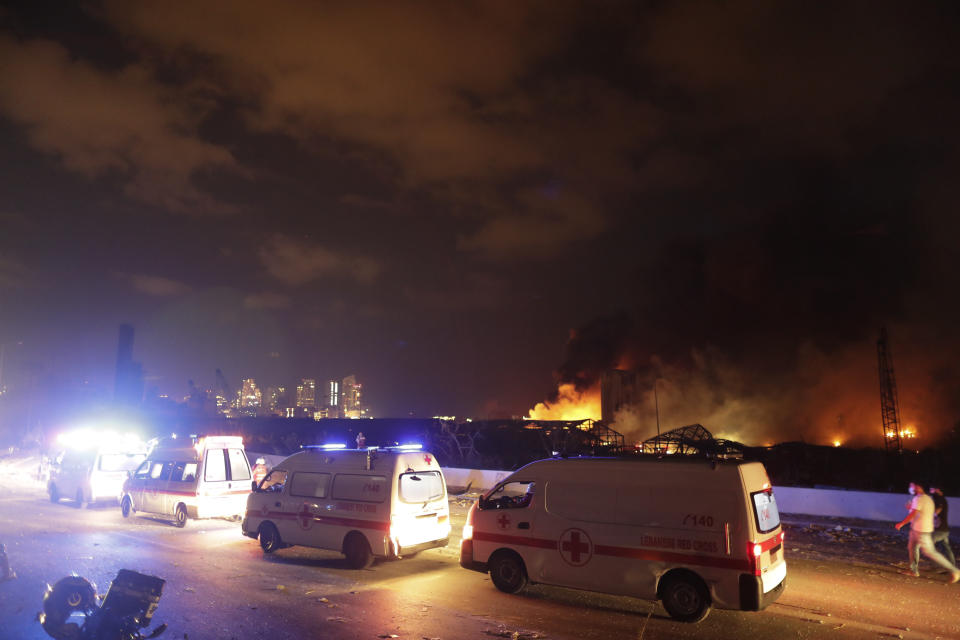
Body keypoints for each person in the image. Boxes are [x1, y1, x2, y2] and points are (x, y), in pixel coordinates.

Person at [894, 482, 960, 583]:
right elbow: (920, 512)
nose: (911, 488)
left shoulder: (920, 498)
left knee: (930, 552)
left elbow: (914, 513)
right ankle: (913, 571)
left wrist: (902, 523)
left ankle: (954, 570)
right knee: (912, 547)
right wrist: (910, 508)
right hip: (918, 529)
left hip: (922, 530)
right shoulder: (927, 499)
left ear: (918, 486)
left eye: (912, 486)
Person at [929, 486, 956, 568]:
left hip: (939, 529)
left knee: (929, 546)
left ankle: (935, 566)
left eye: (933, 488)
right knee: (946, 549)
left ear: (939, 490)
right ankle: (952, 567)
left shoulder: (940, 499)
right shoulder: (941, 499)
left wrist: (930, 514)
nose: (931, 490)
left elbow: (938, 510)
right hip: (943, 529)